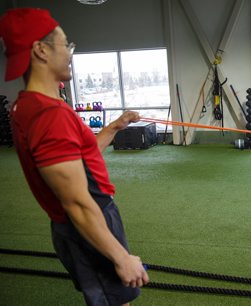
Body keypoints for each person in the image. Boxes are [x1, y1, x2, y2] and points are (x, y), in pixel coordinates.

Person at [0, 8, 149, 305]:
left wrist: (116, 125)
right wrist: (120, 257)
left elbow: (82, 157)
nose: (70, 53)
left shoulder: (28, 106)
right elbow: (77, 203)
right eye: (66, 45)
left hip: (81, 223)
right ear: (41, 50)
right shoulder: (49, 115)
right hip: (88, 222)